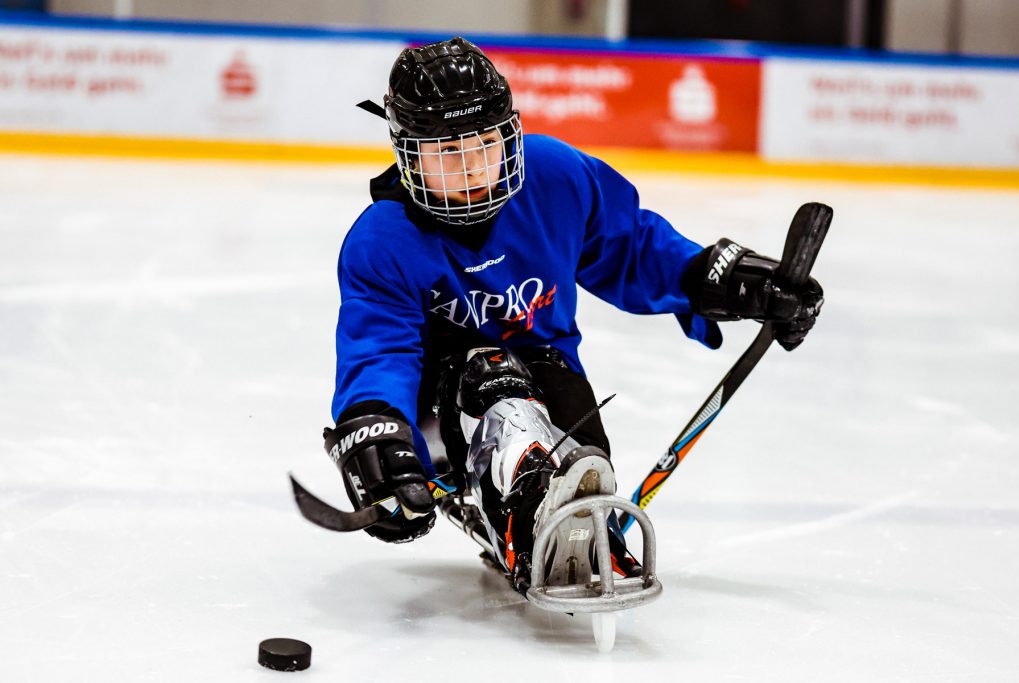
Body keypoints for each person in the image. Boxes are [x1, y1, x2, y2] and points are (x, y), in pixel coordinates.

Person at [324, 37, 822, 589]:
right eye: (447, 152)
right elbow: (381, 349)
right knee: (492, 377)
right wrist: (377, 429)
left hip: (546, 366)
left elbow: (632, 250)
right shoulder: (383, 239)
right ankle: (521, 509)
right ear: (408, 154)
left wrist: (716, 279)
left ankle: (561, 518)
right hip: (437, 404)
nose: (473, 168)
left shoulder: (555, 176)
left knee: (582, 447)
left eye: (486, 143)